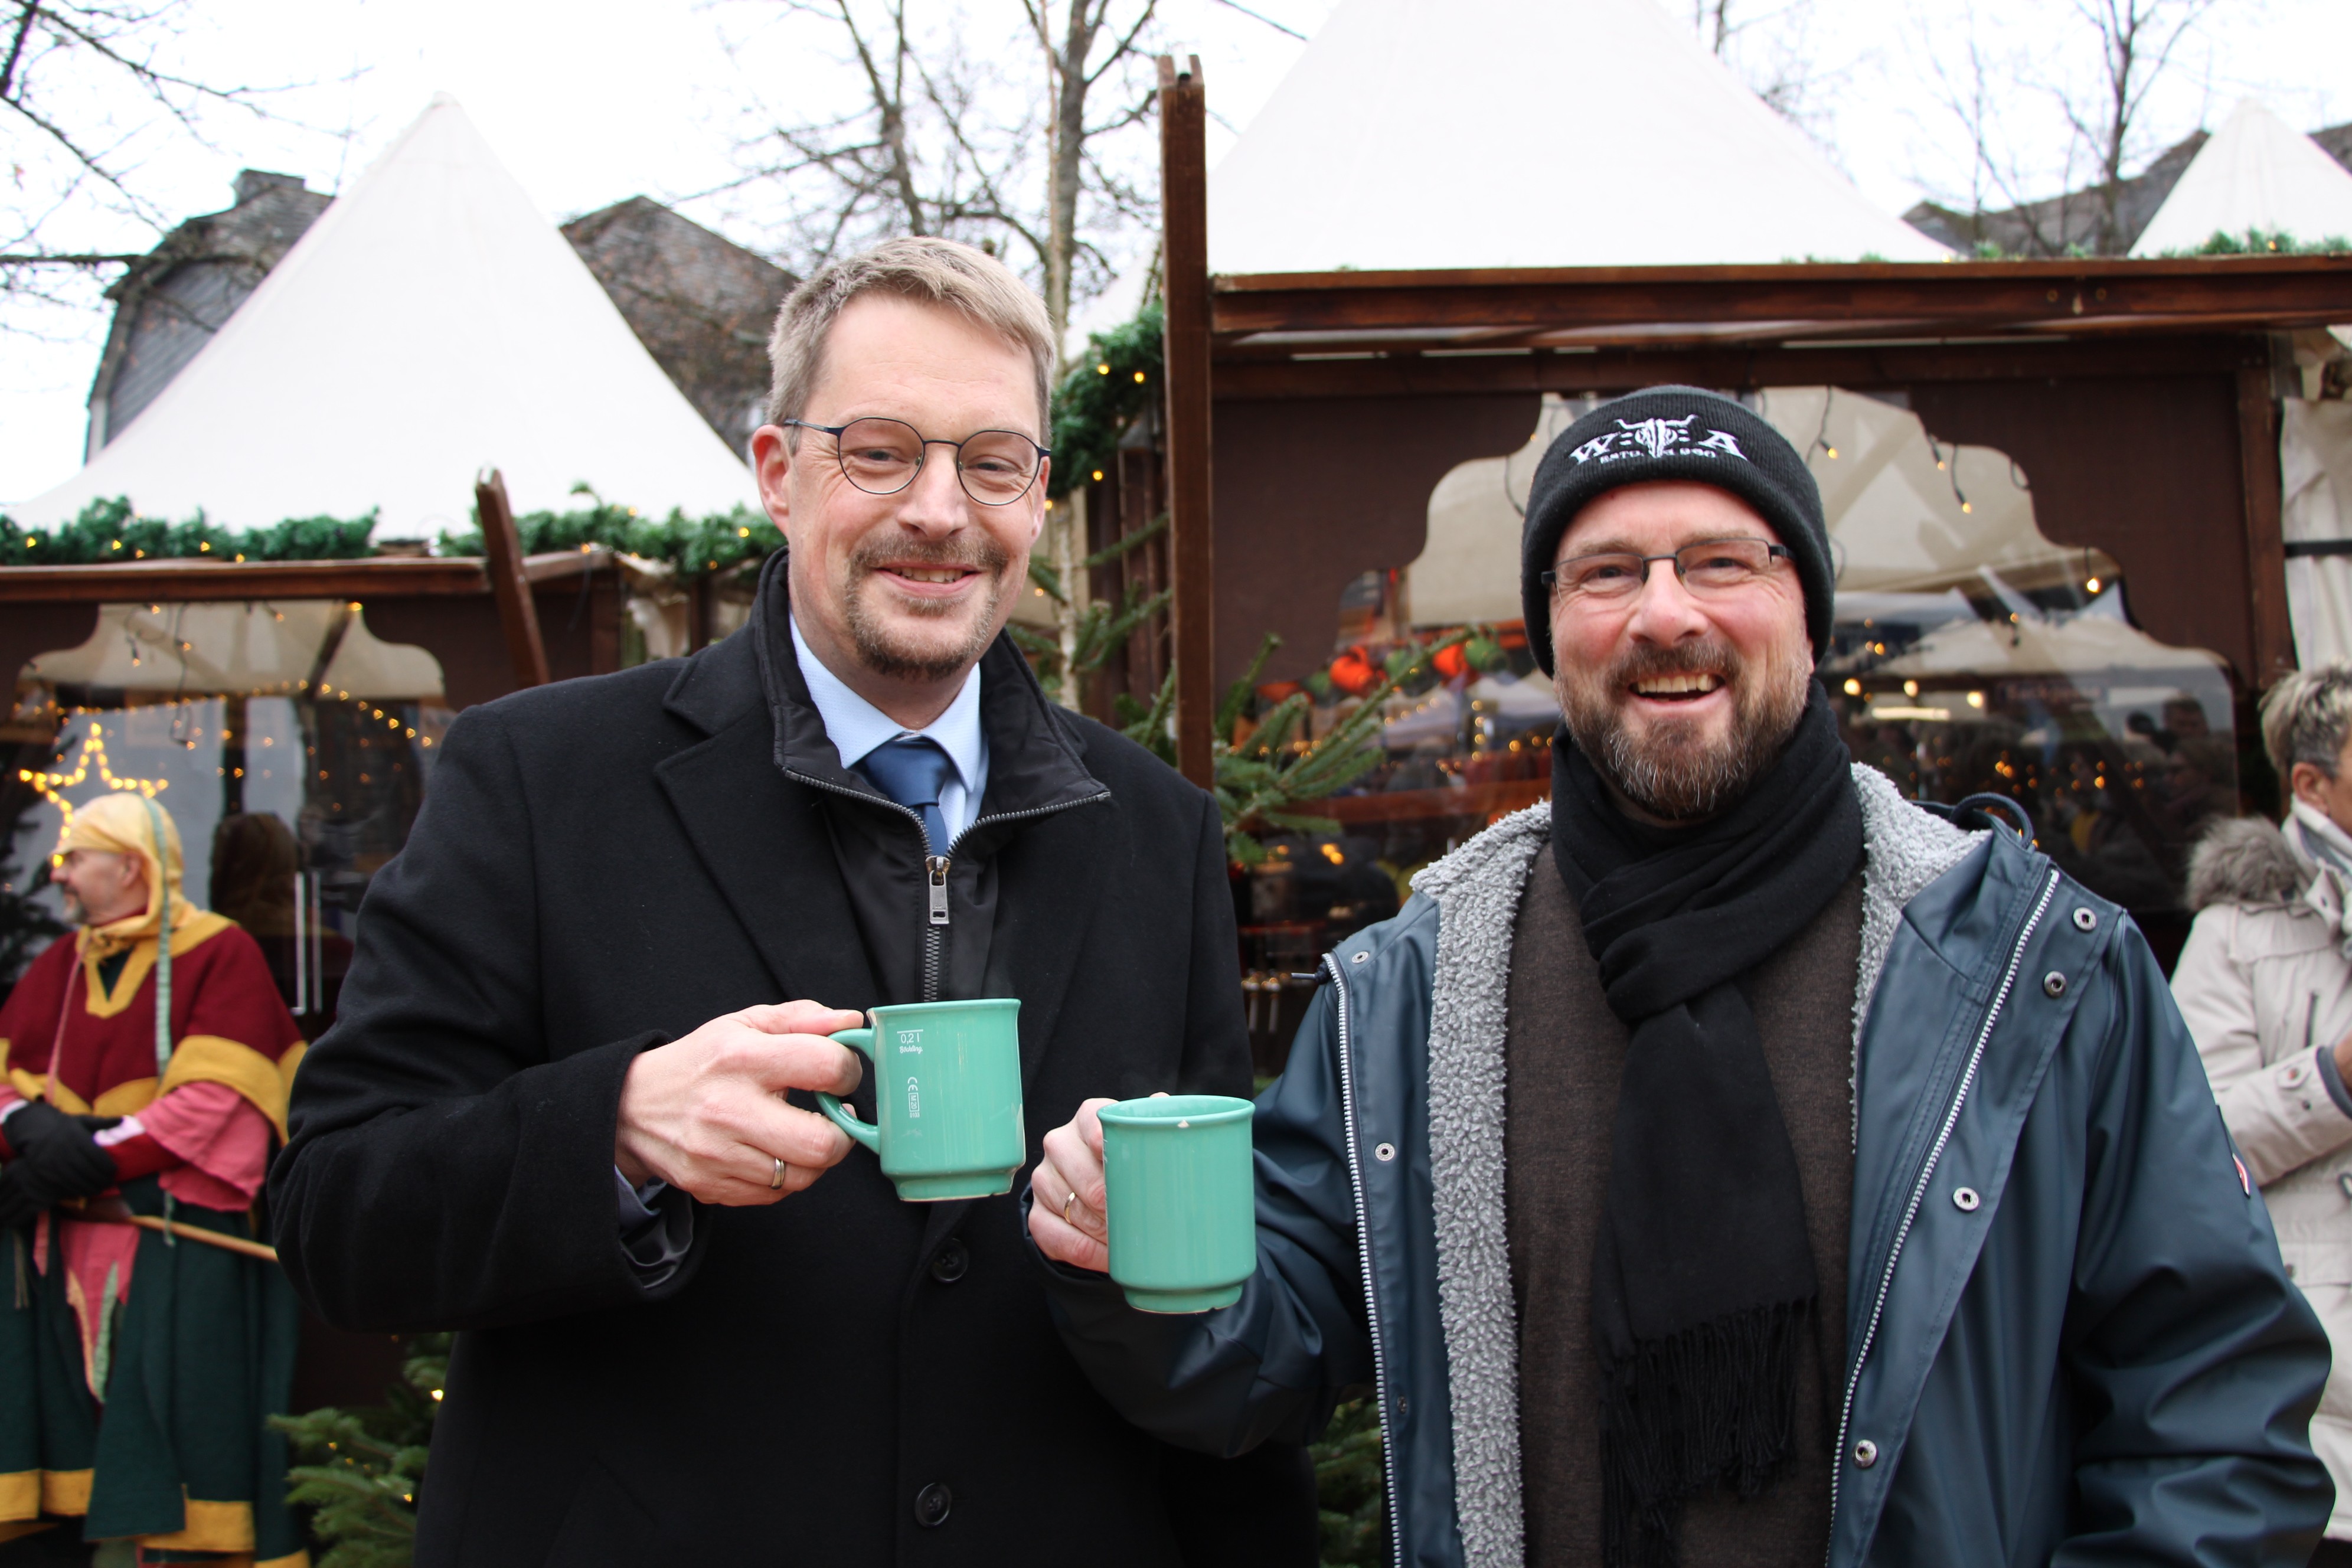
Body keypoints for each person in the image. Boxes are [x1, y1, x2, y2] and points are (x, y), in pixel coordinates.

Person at [1028, 386, 2334, 1568]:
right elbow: (1273, 1338)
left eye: (1721, 560)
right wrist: (1124, 1257)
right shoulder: (1413, 990)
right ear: (1551, 635)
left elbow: (2209, 1403)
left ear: (1809, 617)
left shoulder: (2033, 971)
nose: (1665, 611)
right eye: (1605, 572)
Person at [267, 236, 1314, 1566]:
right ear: (777, 472)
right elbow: (336, 1214)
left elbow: (1220, 1311)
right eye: (880, 450)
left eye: (991, 461)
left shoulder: (1157, 829)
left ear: (1040, 499)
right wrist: (618, 1126)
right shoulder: (541, 778)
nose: (940, 510)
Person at [0, 793, 306, 1564]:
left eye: (77, 858)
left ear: (131, 867)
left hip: (174, 1249)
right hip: (58, 1251)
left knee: (182, 1452)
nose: (61, 876)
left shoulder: (219, 951)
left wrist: (91, 1158)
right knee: (58, 1450)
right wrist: (26, 1130)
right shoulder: (55, 964)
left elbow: (218, 1105)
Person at [2174, 662, 2352, 1567]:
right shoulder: (2236, 931)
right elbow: (2193, 1144)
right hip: (2319, 1382)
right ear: (2312, 784)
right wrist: (2334, 1080)